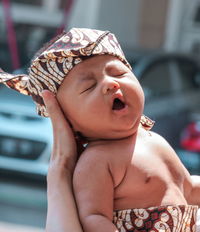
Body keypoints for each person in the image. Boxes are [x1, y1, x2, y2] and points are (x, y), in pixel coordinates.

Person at [0, 28, 200, 232]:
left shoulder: (155, 140)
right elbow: (94, 217)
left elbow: (188, 189)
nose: (110, 83)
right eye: (88, 87)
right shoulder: (97, 161)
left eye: (119, 73)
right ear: (68, 121)